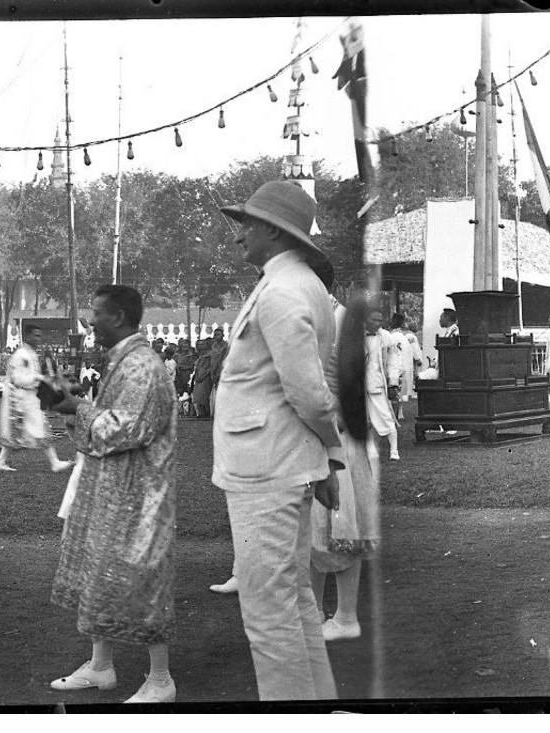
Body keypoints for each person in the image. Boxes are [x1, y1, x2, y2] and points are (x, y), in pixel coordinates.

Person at [211, 180, 342, 701]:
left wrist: (328, 451)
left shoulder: (284, 290)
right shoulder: (294, 283)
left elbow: (309, 393)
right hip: (280, 464)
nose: (239, 234)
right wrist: (327, 458)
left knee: (269, 615)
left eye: (245, 223)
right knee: (294, 603)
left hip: (267, 472)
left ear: (272, 229)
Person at [46, 283, 179, 704]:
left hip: (140, 494)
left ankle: (161, 679)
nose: (90, 320)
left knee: (141, 577)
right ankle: (101, 666)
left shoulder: (141, 365)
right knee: (102, 573)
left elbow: (124, 428)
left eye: (97, 313)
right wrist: (74, 405)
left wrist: (74, 408)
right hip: (116, 488)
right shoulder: (123, 360)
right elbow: (107, 424)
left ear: (119, 317)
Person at [313, 292, 383, 643]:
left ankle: (344, 615)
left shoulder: (335, 319)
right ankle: (317, 613)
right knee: (318, 529)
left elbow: (336, 383)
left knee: (339, 525)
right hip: (328, 430)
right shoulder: (325, 314)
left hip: (334, 432)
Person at [0, 324, 74, 473]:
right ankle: (2, 462)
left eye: (39, 336)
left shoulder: (30, 353)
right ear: (28, 336)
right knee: (24, 430)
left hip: (29, 396)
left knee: (39, 427)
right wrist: (40, 378)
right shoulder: (21, 355)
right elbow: (18, 379)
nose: (39, 339)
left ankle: (53, 462)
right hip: (20, 398)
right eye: (36, 336)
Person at [363, 308, 402, 461]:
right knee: (363, 418)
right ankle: (370, 450)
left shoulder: (385, 336)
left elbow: (393, 360)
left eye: (380, 320)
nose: (378, 323)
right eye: (374, 320)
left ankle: (394, 450)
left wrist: (393, 382)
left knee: (386, 415)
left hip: (376, 381)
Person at [388, 314, 423, 421]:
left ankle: (397, 412)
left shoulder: (392, 336)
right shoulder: (405, 337)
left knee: (395, 391)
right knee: (399, 391)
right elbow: (414, 352)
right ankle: (399, 411)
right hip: (403, 366)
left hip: (395, 367)